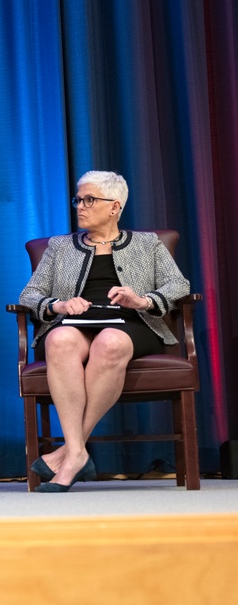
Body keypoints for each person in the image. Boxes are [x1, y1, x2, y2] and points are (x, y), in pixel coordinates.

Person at [19, 170, 189, 492]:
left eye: (89, 200)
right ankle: (77, 453)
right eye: (78, 199)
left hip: (132, 325)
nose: (80, 206)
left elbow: (178, 284)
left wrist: (143, 299)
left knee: (110, 342)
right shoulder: (59, 247)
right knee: (59, 339)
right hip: (75, 324)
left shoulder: (146, 244)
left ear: (114, 207)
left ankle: (69, 455)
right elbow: (29, 294)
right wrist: (59, 305)